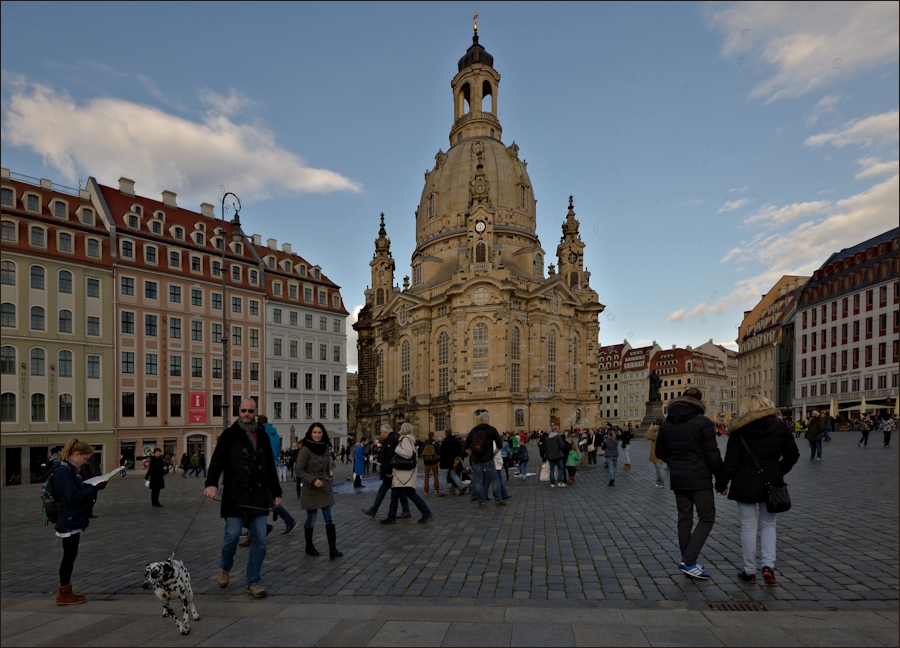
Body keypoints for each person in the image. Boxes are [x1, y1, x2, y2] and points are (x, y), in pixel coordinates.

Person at [716, 395, 799, 585]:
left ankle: (749, 570)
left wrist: (721, 484)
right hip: (771, 483)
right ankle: (768, 566)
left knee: (748, 526)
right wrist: (777, 472)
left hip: (745, 483)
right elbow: (792, 455)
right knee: (769, 525)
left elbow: (731, 462)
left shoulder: (739, 430)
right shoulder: (780, 427)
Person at [204, 398, 282, 599]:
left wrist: (277, 492)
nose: (246, 413)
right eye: (243, 410)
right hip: (234, 494)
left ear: (256, 412)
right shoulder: (229, 434)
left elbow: (269, 467)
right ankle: (225, 567)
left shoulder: (262, 434)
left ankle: (253, 582)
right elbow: (217, 461)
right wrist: (211, 483)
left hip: (258, 495)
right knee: (232, 535)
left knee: (260, 541)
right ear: (239, 411)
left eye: (250, 410)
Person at [655, 387, 723, 580]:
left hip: (678, 478)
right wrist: (721, 479)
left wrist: (675, 462)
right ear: (700, 403)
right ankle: (689, 561)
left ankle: (688, 560)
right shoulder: (702, 422)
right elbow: (712, 454)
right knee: (706, 517)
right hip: (700, 478)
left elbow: (660, 453)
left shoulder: (667, 424)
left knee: (684, 520)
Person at [47, 438, 107, 605]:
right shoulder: (63, 471)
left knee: (70, 555)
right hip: (68, 517)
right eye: (85, 458)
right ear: (77, 454)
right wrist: (94, 487)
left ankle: (65, 591)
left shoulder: (68, 469)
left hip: (71, 516)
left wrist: (91, 485)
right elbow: (72, 496)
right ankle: (64, 592)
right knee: (68, 556)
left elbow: (73, 491)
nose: (85, 462)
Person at [296, 422, 343, 559]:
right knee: (311, 519)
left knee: (330, 518)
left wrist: (329, 473)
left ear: (323, 434)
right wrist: (312, 480)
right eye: (314, 432)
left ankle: (332, 549)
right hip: (311, 488)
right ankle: (309, 546)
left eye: (319, 432)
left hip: (325, 488)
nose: (317, 435)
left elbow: (327, 468)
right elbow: (299, 470)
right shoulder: (305, 449)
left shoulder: (325, 448)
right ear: (310, 434)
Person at [381, 422, 434, 524]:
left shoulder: (405, 439)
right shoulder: (407, 439)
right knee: (395, 494)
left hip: (404, 472)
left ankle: (426, 512)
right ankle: (391, 517)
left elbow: (408, 454)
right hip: (401, 472)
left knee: (409, 493)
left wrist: (397, 449)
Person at [258, 415, 299, 536]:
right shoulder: (274, 433)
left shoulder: (262, 433)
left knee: (267, 499)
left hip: (265, 467)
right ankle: (257, 527)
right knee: (265, 499)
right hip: (273, 465)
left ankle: (288, 521)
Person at [363, 424, 411, 517]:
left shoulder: (391, 440)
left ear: (386, 432)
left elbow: (390, 456)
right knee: (391, 490)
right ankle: (405, 510)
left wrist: (389, 471)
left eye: (381, 432)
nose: (381, 434)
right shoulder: (390, 439)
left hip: (390, 471)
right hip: (390, 471)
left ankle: (378, 511)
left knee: (397, 491)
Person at [464, 412, 504, 507]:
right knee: (494, 478)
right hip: (488, 459)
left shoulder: (473, 430)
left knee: (478, 480)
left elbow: (465, 446)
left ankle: (481, 502)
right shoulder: (492, 430)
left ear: (479, 420)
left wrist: (472, 454)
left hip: (476, 459)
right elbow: (500, 444)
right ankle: (498, 501)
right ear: (488, 420)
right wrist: (494, 454)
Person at [438, 429, 467, 495]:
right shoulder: (456, 441)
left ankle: (444, 491)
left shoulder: (445, 442)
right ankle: (461, 486)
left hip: (445, 462)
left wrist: (440, 461)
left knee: (444, 476)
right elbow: (460, 450)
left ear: (446, 433)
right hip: (454, 462)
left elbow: (442, 453)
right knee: (453, 474)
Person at [646, 419, 665, 488]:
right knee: (659, 469)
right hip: (659, 453)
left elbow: (648, 436)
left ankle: (660, 483)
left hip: (657, 454)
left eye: (655, 425)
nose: (653, 426)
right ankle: (659, 482)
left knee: (659, 470)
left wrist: (650, 429)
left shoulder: (657, 434)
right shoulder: (660, 432)